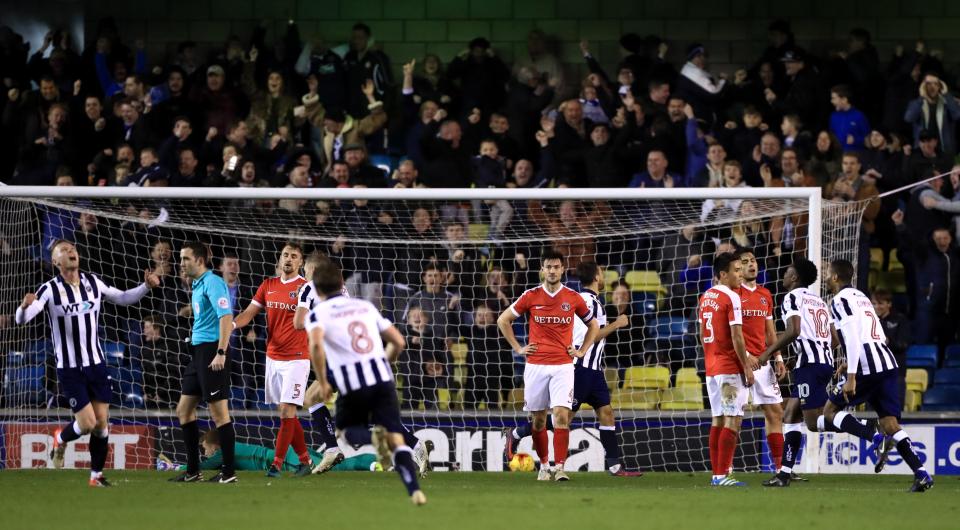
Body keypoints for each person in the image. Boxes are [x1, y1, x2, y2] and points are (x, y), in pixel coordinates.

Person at [15, 240, 159, 486]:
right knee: (87, 423)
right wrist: (23, 306)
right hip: (70, 369)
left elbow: (123, 298)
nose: (71, 252)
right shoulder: (49, 289)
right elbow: (22, 320)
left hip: (97, 364)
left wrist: (145, 286)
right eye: (64, 250)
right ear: (55, 261)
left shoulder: (93, 282)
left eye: (73, 249)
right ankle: (60, 437)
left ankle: (96, 476)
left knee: (102, 424)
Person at [303, 257, 426, 506]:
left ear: (316, 289)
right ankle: (414, 490)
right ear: (341, 284)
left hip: (352, 380)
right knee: (394, 435)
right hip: (382, 378)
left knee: (348, 432)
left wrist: (324, 381)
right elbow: (399, 342)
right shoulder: (365, 306)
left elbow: (315, 345)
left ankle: (361, 443)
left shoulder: (318, 314)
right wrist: (383, 364)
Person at [505, 262, 639, 477]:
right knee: (563, 418)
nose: (604, 277)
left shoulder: (594, 301)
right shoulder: (585, 301)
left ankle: (615, 466)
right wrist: (616, 325)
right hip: (579, 368)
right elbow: (583, 336)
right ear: (596, 277)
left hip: (594, 370)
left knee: (606, 413)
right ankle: (519, 432)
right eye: (602, 273)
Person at [819, 260, 933, 492]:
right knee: (890, 423)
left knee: (829, 411)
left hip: (866, 367)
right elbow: (874, 334)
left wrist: (852, 374)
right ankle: (921, 473)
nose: (825, 277)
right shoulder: (861, 297)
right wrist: (849, 363)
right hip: (887, 363)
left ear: (834, 278)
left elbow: (851, 335)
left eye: (826, 273)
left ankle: (873, 436)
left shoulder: (839, 301)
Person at [497, 250, 599, 482]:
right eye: (548, 267)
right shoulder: (530, 296)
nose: (552, 271)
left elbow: (593, 325)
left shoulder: (573, 297)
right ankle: (544, 465)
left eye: (556, 267)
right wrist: (518, 347)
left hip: (563, 366)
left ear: (563, 269)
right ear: (542, 270)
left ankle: (560, 467)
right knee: (539, 420)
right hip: (535, 366)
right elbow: (503, 320)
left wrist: (581, 351)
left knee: (562, 416)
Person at [231, 243, 312, 477]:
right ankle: (305, 461)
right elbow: (249, 312)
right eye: (285, 255)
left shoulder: (305, 288)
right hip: (273, 358)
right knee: (286, 413)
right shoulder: (268, 285)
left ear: (300, 263)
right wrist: (233, 324)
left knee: (287, 411)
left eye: (294, 256)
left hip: (297, 358)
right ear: (279, 259)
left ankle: (276, 464)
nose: (288, 259)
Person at [759, 258, 834, 487]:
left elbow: (794, 330)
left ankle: (868, 430)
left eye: (787, 272)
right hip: (822, 363)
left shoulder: (792, 297)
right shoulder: (820, 301)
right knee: (790, 414)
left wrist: (767, 353)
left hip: (810, 367)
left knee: (813, 422)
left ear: (794, 278)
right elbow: (835, 339)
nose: (784, 275)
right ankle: (784, 473)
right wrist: (801, 355)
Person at [169, 241, 237, 483]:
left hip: (212, 352)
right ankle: (192, 471)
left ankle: (228, 473)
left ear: (199, 260)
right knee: (184, 410)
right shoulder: (197, 285)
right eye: (181, 258)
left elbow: (226, 316)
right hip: (197, 353)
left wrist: (221, 351)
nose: (181, 263)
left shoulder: (213, 282)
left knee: (219, 414)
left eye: (186, 258)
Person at [698, 252, 755, 487]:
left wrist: (712, 358)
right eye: (736, 270)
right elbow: (737, 337)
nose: (740, 274)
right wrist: (746, 367)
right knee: (732, 420)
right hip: (730, 368)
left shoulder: (706, 296)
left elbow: (702, 336)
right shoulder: (731, 297)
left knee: (718, 420)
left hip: (711, 367)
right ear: (723, 274)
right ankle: (722, 475)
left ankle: (717, 474)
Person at [733, 248, 785, 473]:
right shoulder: (734, 294)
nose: (751, 264)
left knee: (775, 412)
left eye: (753, 260)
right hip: (739, 363)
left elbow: (770, 332)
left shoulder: (765, 294)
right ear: (738, 269)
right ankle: (726, 469)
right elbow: (730, 334)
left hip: (763, 363)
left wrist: (778, 357)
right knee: (734, 416)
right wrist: (746, 357)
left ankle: (780, 468)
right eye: (745, 262)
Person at [178, 429, 379, 473]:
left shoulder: (224, 452)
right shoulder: (229, 450)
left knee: (338, 469)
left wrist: (179, 468)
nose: (205, 452)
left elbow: (203, 467)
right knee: (342, 464)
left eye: (205, 448)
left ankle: (376, 464)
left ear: (215, 445)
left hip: (286, 461)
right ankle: (378, 462)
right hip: (292, 454)